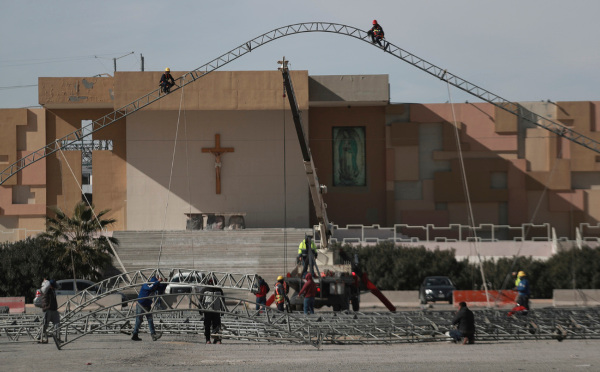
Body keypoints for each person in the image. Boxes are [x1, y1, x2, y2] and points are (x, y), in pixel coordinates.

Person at [131, 276, 166, 341]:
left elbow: (161, 289)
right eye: (155, 285)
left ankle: (153, 335)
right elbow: (150, 288)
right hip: (141, 305)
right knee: (139, 320)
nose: (156, 287)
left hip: (147, 306)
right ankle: (135, 335)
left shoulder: (154, 287)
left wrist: (165, 283)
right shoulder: (146, 285)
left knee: (150, 320)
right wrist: (158, 281)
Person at [198, 279, 224, 344]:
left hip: (216, 311)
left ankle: (217, 339)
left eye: (213, 281)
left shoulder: (219, 290)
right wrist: (200, 309)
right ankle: (208, 339)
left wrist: (223, 309)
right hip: (207, 311)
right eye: (210, 281)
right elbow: (200, 300)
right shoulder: (204, 290)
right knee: (207, 326)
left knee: (217, 326)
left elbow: (222, 300)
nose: (212, 283)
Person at [41, 279, 60, 343]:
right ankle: (42, 337)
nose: (53, 287)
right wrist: (47, 282)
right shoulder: (45, 290)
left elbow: (59, 287)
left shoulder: (53, 290)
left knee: (57, 324)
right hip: (47, 309)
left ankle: (57, 338)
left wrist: (54, 282)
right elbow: (47, 285)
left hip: (54, 309)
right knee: (45, 325)